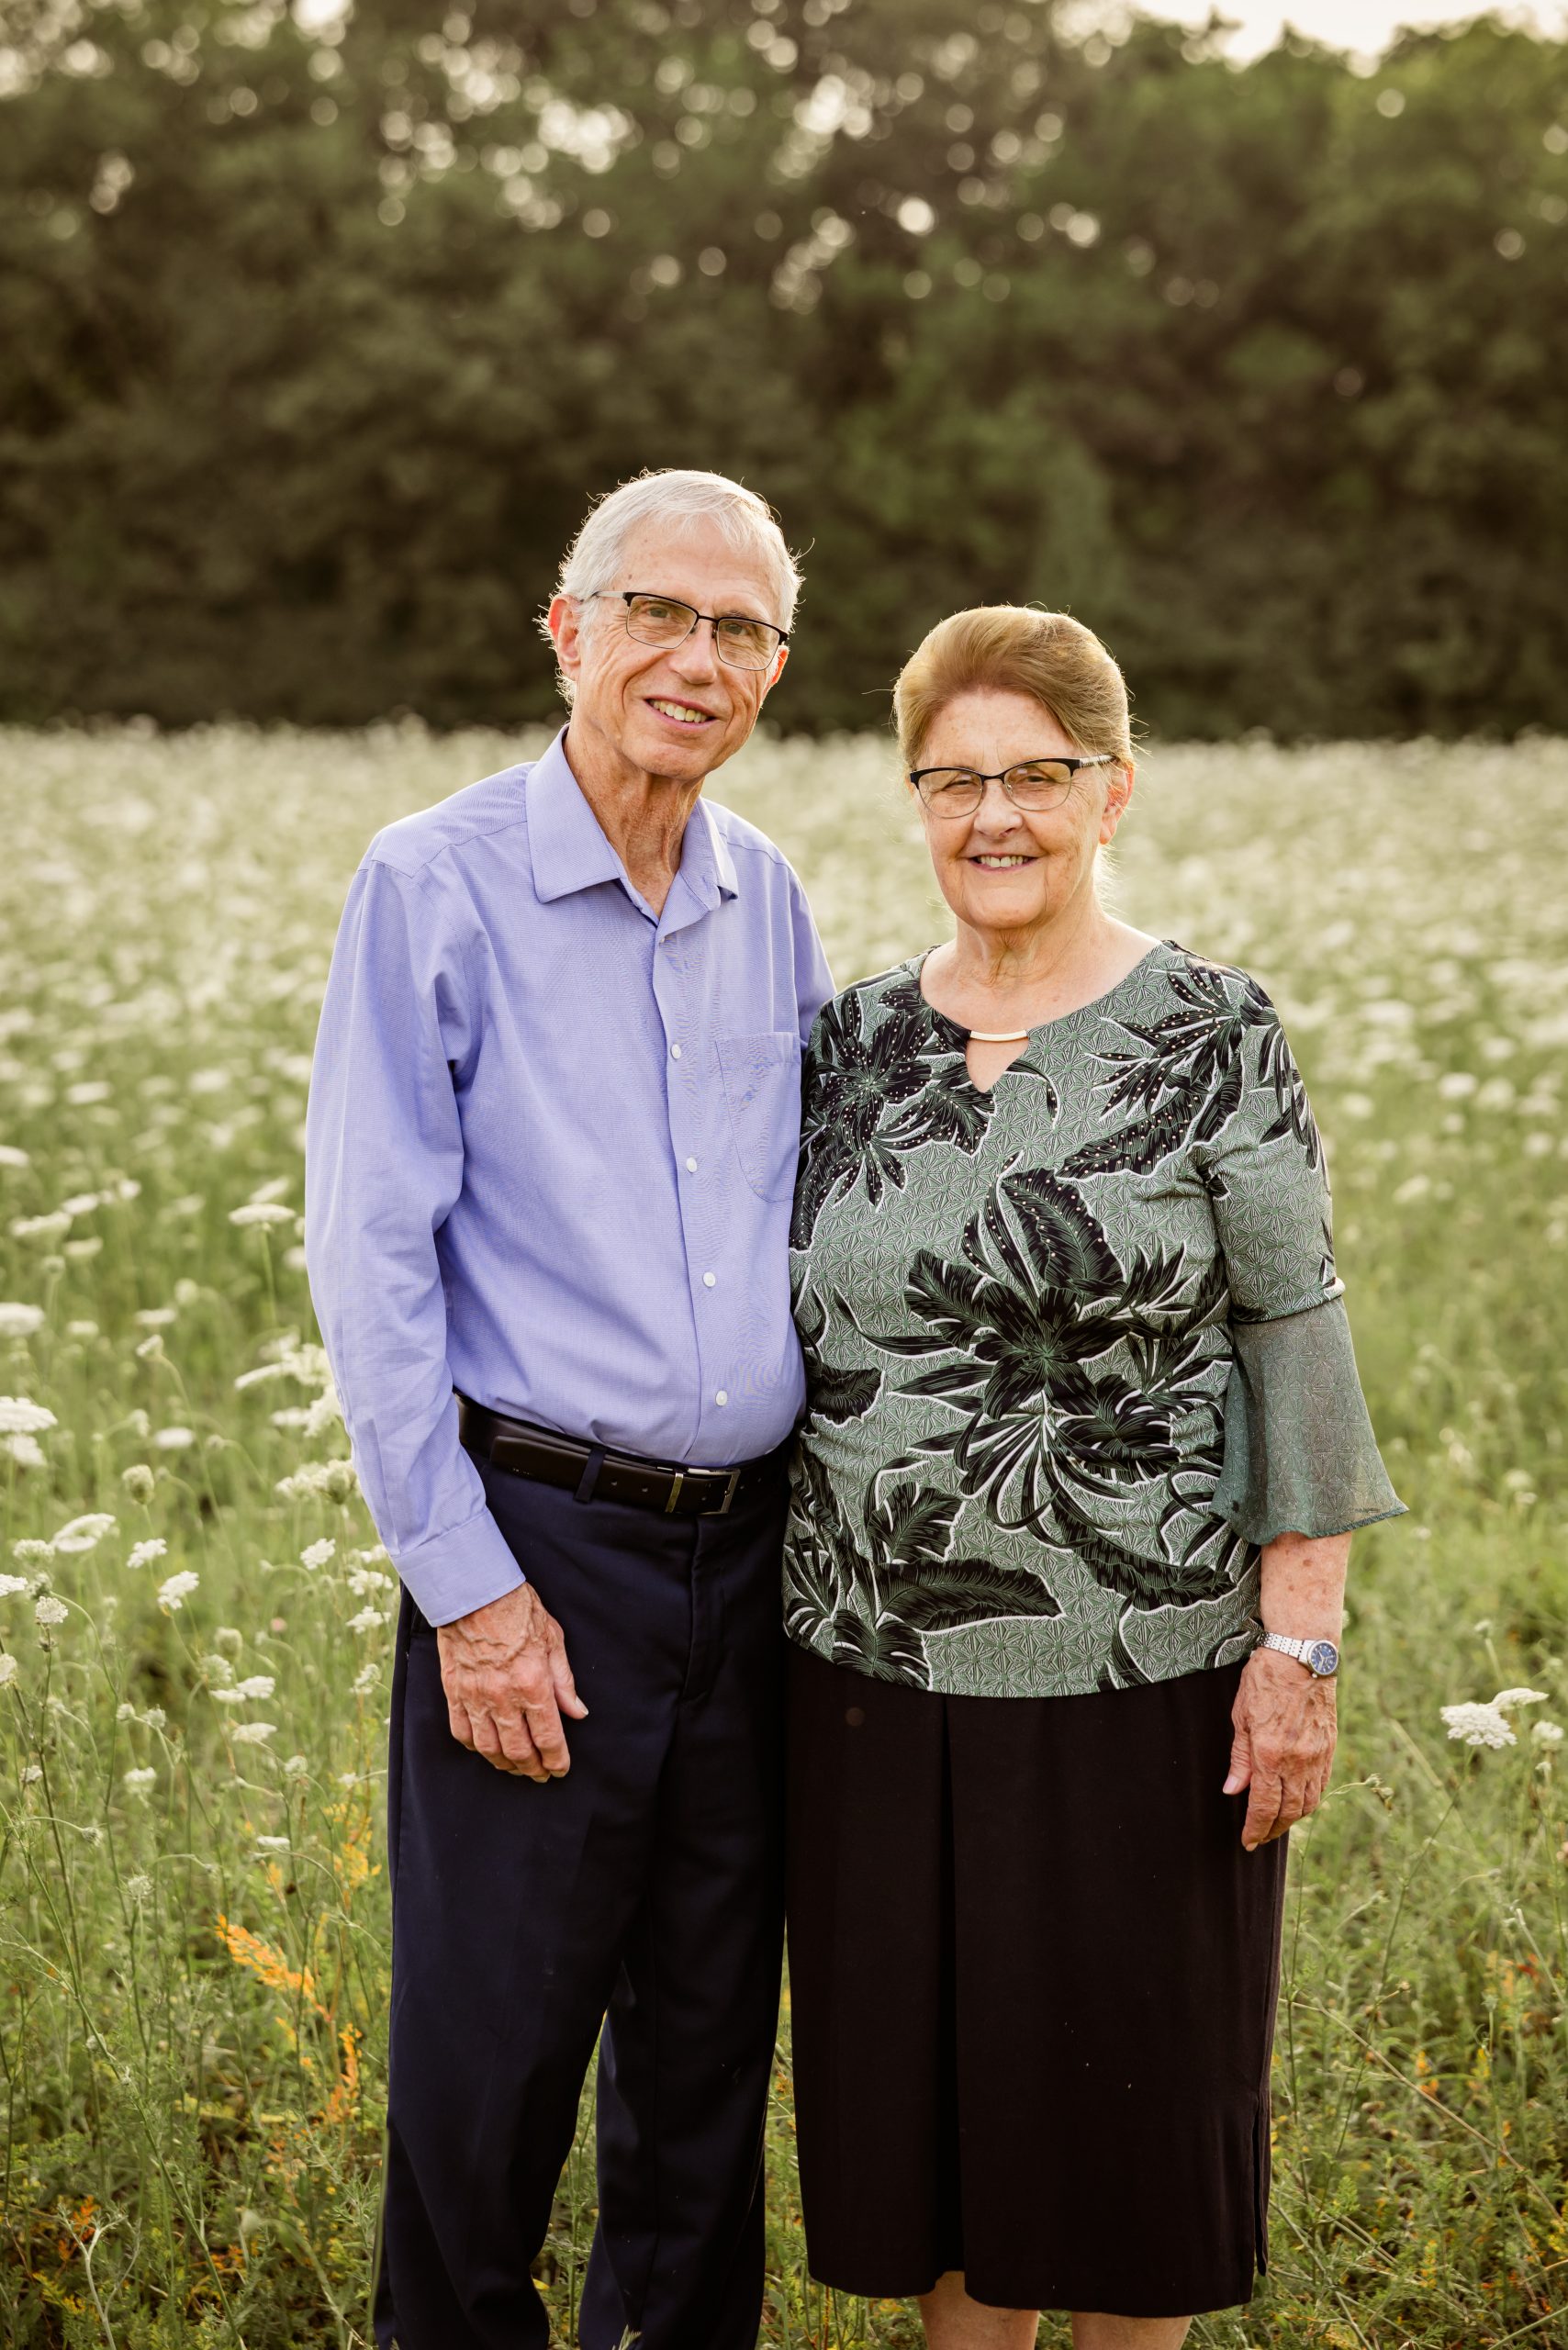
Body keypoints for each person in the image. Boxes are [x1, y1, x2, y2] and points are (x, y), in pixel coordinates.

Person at [782, 605, 1404, 2350]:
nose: (995, 816)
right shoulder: (849, 1044)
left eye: (1037, 777)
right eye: (954, 779)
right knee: (941, 2168)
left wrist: (1302, 1651)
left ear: (1112, 792)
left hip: (1149, 1680)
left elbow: (1297, 1333)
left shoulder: (1210, 1028)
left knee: (1130, 2162)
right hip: (865, 1690)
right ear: (914, 799)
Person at [305, 468, 832, 2350]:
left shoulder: (768, 896)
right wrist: (468, 1590)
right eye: (659, 614)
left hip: (748, 1561)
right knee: (490, 2072)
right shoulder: (431, 879)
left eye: (741, 629)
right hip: (540, 1549)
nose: (697, 660)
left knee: (700, 2074)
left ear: (775, 664)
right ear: (568, 627)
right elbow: (368, 1262)